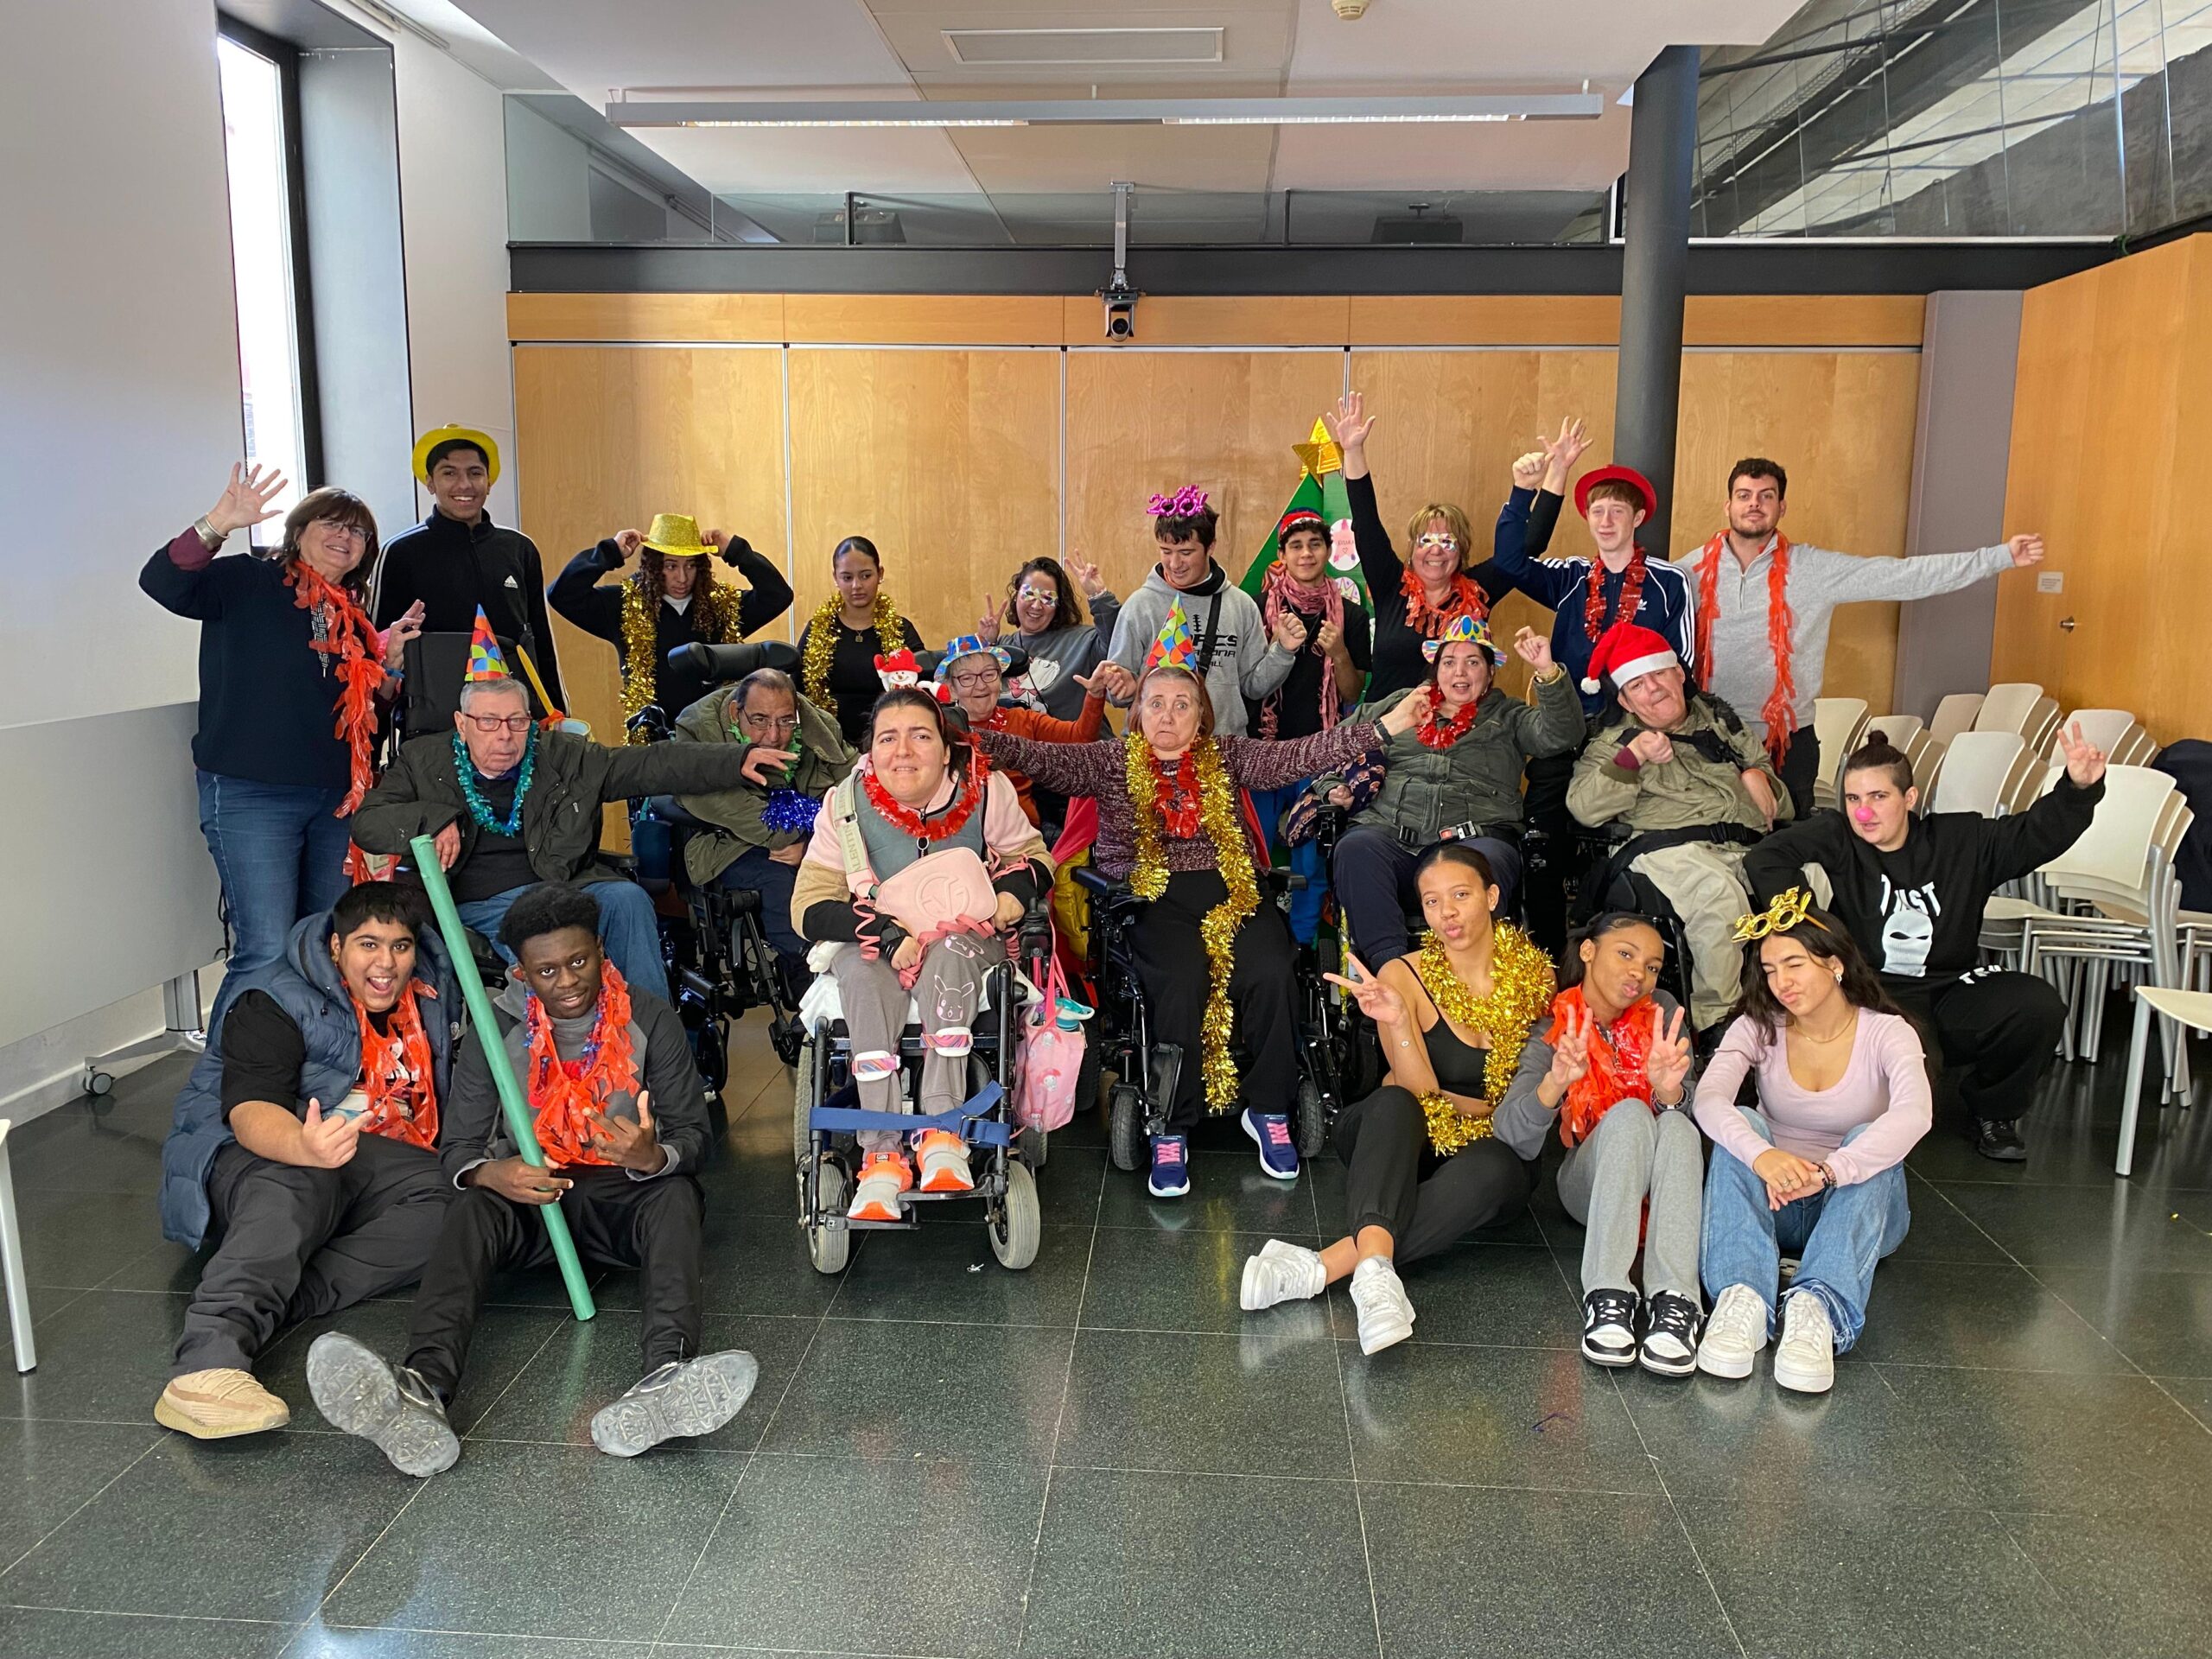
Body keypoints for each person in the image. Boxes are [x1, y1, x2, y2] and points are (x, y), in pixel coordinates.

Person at [307, 883, 754, 1472]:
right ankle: (423, 1388)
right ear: (521, 972)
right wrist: (494, 1173)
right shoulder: (495, 1029)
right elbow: (458, 1150)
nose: (567, 981)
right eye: (546, 971)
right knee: (470, 1208)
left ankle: (667, 1377)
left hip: (624, 1197)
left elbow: (694, 1136)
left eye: (579, 961)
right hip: (533, 1203)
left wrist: (653, 1156)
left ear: (600, 950)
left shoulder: (650, 1016)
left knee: (677, 1195)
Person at [976, 647, 1423, 1197]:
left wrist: (1385, 727)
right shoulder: (1111, 761)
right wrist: (973, 737)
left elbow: (1301, 754)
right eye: (1155, 703)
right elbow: (1040, 757)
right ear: (1137, 712)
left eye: (1181, 704)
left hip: (1231, 886)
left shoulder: (1229, 755)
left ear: (1202, 715)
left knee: (1272, 969)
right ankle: (1172, 1122)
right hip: (1147, 895)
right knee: (1179, 977)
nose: (1167, 715)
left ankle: (1268, 1109)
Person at [154, 882, 458, 1439]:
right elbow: (250, 1110)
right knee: (303, 1180)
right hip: (250, 1147)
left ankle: (284, 1296)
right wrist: (305, 1147)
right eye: (368, 945)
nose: (386, 963)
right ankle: (205, 1365)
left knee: (453, 1197)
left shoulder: (434, 989)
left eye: (400, 946)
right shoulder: (271, 996)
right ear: (337, 947)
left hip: (363, 1149)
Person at [1239, 844, 1554, 1353]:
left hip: (1483, 1155)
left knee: (1501, 1165)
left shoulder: (1536, 977)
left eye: (1460, 895)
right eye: (1431, 901)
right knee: (1394, 1104)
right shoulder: (1401, 976)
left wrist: (1484, 1113)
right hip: (1395, 1141)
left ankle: (1328, 1267)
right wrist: (1402, 1022)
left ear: (1492, 896)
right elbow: (1419, 1094)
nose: (1446, 913)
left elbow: (1521, 1109)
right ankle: (1367, 1276)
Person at [1743, 721, 2106, 1161]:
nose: (1864, 813)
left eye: (1879, 797)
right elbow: (1768, 857)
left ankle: (1995, 1112)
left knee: (2036, 1006)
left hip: (1952, 986)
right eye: (1854, 799)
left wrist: (2078, 790)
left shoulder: (1961, 840)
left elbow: (2033, 835)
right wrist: (1813, 929)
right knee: (1913, 1083)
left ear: (1909, 798)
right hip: (1871, 989)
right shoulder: (1840, 835)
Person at [142, 466, 423, 1012]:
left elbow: (365, 718)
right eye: (331, 523)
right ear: (298, 532)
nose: (345, 537)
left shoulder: (352, 618)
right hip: (253, 795)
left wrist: (388, 667)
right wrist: (219, 522)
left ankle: (307, 1059)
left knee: (322, 946)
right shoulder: (249, 579)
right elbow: (162, 582)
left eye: (358, 531)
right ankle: (228, 1067)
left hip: (335, 803)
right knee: (267, 950)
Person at [791, 689, 1052, 1221]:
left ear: (946, 747)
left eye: (920, 736)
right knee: (863, 975)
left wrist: (1011, 894)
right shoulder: (844, 805)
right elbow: (808, 905)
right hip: (874, 937)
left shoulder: (985, 789)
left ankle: (943, 1131)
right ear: (871, 751)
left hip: (962, 931)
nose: (903, 751)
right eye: (888, 738)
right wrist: (883, 932)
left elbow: (1034, 856)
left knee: (951, 955)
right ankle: (881, 1153)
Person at [351, 669, 764, 996]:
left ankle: (651, 1043)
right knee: (548, 943)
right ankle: (569, 1055)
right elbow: (368, 822)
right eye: (489, 722)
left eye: (517, 721)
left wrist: (734, 761)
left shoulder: (563, 756)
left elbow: (649, 765)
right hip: (481, 902)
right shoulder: (423, 761)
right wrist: (434, 819)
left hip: (564, 884)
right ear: (462, 724)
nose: (504, 735)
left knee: (628, 900)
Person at [1680, 459, 2048, 818]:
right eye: (1744, 495)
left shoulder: (1813, 569)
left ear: (1782, 507)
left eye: (1766, 496)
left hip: (1788, 743)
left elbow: (1905, 575)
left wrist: (1999, 557)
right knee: (1709, 839)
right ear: (1728, 505)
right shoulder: (1686, 572)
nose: (1754, 504)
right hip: (1710, 734)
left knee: (1786, 847)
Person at [1693, 889, 1932, 1394]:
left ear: (1835, 964)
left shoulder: (1889, 1033)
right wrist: (1763, 1155)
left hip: (1855, 1209)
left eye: (1795, 964)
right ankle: (1743, 1300)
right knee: (1741, 1122)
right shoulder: (1758, 1027)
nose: (1781, 982)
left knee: (1871, 1136)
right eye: (1770, 969)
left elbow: (1916, 1114)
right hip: (1776, 1200)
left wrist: (1830, 1171)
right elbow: (1709, 1100)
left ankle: (1818, 1307)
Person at [1491, 913, 1703, 1376]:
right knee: (1629, 1113)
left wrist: (1668, 1092)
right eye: (1625, 954)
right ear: (1588, 951)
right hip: (1590, 1185)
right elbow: (1510, 1133)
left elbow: (1690, 1122)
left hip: (1664, 1189)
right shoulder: (1556, 1026)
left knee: (1677, 1127)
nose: (1638, 973)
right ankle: (1608, 1294)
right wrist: (1555, 1082)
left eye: (1652, 966)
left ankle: (1676, 1303)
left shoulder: (1664, 1012)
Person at [1567, 622, 1790, 1033]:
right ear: (1625, 700)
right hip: (1668, 850)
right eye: (1637, 685)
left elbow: (1782, 804)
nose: (1653, 689)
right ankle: (1718, 1025)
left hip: (1746, 846)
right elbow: (1584, 808)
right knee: (1719, 898)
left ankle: (1807, 1007)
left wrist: (1759, 776)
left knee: (1812, 880)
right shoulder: (1613, 741)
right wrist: (1634, 756)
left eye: (1658, 674)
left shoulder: (1721, 722)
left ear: (1678, 673)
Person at [1327, 616, 1582, 957]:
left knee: (1483, 866)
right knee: (1355, 848)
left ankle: (1466, 976)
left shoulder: (1509, 715)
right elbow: (1333, 746)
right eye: (1449, 662)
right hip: (1390, 836)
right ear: (1436, 669)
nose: (1459, 672)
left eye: (1473, 662)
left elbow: (1563, 735)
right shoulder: (1400, 704)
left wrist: (1547, 672)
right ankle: (1390, 969)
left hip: (1474, 839)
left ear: (1490, 673)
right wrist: (1333, 788)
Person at [1490, 420, 1698, 721]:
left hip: (1639, 723)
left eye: (1617, 511)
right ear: (1587, 517)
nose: (1606, 522)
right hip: (1571, 721)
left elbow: (1681, 664)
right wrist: (1523, 490)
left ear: (1638, 518)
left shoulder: (1669, 580)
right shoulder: (1571, 576)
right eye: (1597, 512)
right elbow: (1508, 563)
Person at [1319, 391, 1519, 700]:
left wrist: (1530, 487)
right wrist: (1354, 451)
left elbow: (1527, 548)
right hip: (1386, 724)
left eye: (1447, 541)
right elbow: (1367, 524)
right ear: (1412, 550)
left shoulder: (1479, 590)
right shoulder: (1391, 583)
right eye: (1426, 540)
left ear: (1462, 551)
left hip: (1454, 725)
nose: (1436, 550)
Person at [669, 666, 855, 990]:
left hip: (811, 839)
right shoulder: (699, 730)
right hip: (730, 843)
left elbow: (857, 787)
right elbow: (732, 809)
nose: (773, 735)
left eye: (785, 721)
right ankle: (806, 974)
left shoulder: (818, 726)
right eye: (759, 720)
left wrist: (811, 845)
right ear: (735, 712)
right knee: (780, 881)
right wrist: (806, 837)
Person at [1244, 503, 1375, 944]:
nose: (1306, 554)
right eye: (1296, 546)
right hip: (1263, 752)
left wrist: (1339, 653)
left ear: (1328, 551)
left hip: (1319, 756)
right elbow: (1249, 684)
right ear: (1282, 554)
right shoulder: (1256, 609)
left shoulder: (1351, 616)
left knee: (1310, 862)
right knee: (1252, 855)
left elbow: (1352, 694)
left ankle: (1302, 947)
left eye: (1314, 544)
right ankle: (1254, 944)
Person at [373, 426, 565, 712]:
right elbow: (377, 647)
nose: (464, 485)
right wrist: (376, 728)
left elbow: (542, 641)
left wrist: (557, 712)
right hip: (434, 718)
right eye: (449, 473)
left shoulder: (520, 548)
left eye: (475, 473)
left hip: (515, 716)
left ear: (489, 483)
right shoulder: (399, 552)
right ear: (430, 483)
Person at [549, 512, 793, 729]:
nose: (682, 577)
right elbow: (562, 595)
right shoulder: (625, 606)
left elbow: (778, 595)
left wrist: (736, 551)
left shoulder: (721, 608)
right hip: (653, 738)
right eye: (671, 566)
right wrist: (609, 552)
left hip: (715, 737)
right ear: (654, 567)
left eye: (690, 566)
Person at [1106, 486, 1297, 738]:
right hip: (1153, 752)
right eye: (1166, 551)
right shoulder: (1139, 606)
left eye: (1186, 553)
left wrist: (1284, 650)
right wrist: (1122, 687)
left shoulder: (1240, 605)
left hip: (1224, 747)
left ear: (1211, 547)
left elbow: (1254, 686)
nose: (1175, 564)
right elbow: (1117, 693)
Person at [935, 634, 1128, 830]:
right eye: (967, 678)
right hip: (959, 831)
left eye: (989, 674)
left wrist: (1095, 695)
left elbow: (1080, 738)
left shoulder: (1023, 719)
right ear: (951, 688)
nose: (981, 685)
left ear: (1000, 679)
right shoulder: (938, 729)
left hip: (1023, 831)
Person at [797, 536, 927, 749]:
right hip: (828, 746)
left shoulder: (902, 629)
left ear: (880, 574)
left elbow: (923, 687)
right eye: (847, 577)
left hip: (890, 744)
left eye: (866, 576)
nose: (856, 586)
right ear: (836, 578)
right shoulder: (817, 630)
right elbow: (796, 689)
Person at [978, 553, 1123, 723]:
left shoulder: (1082, 641)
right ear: (1016, 596)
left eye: (1047, 598)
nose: (1036, 606)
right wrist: (985, 643)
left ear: (1059, 604)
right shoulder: (1001, 648)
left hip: (1076, 739)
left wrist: (1099, 596)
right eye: (1029, 594)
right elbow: (973, 691)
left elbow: (1118, 640)